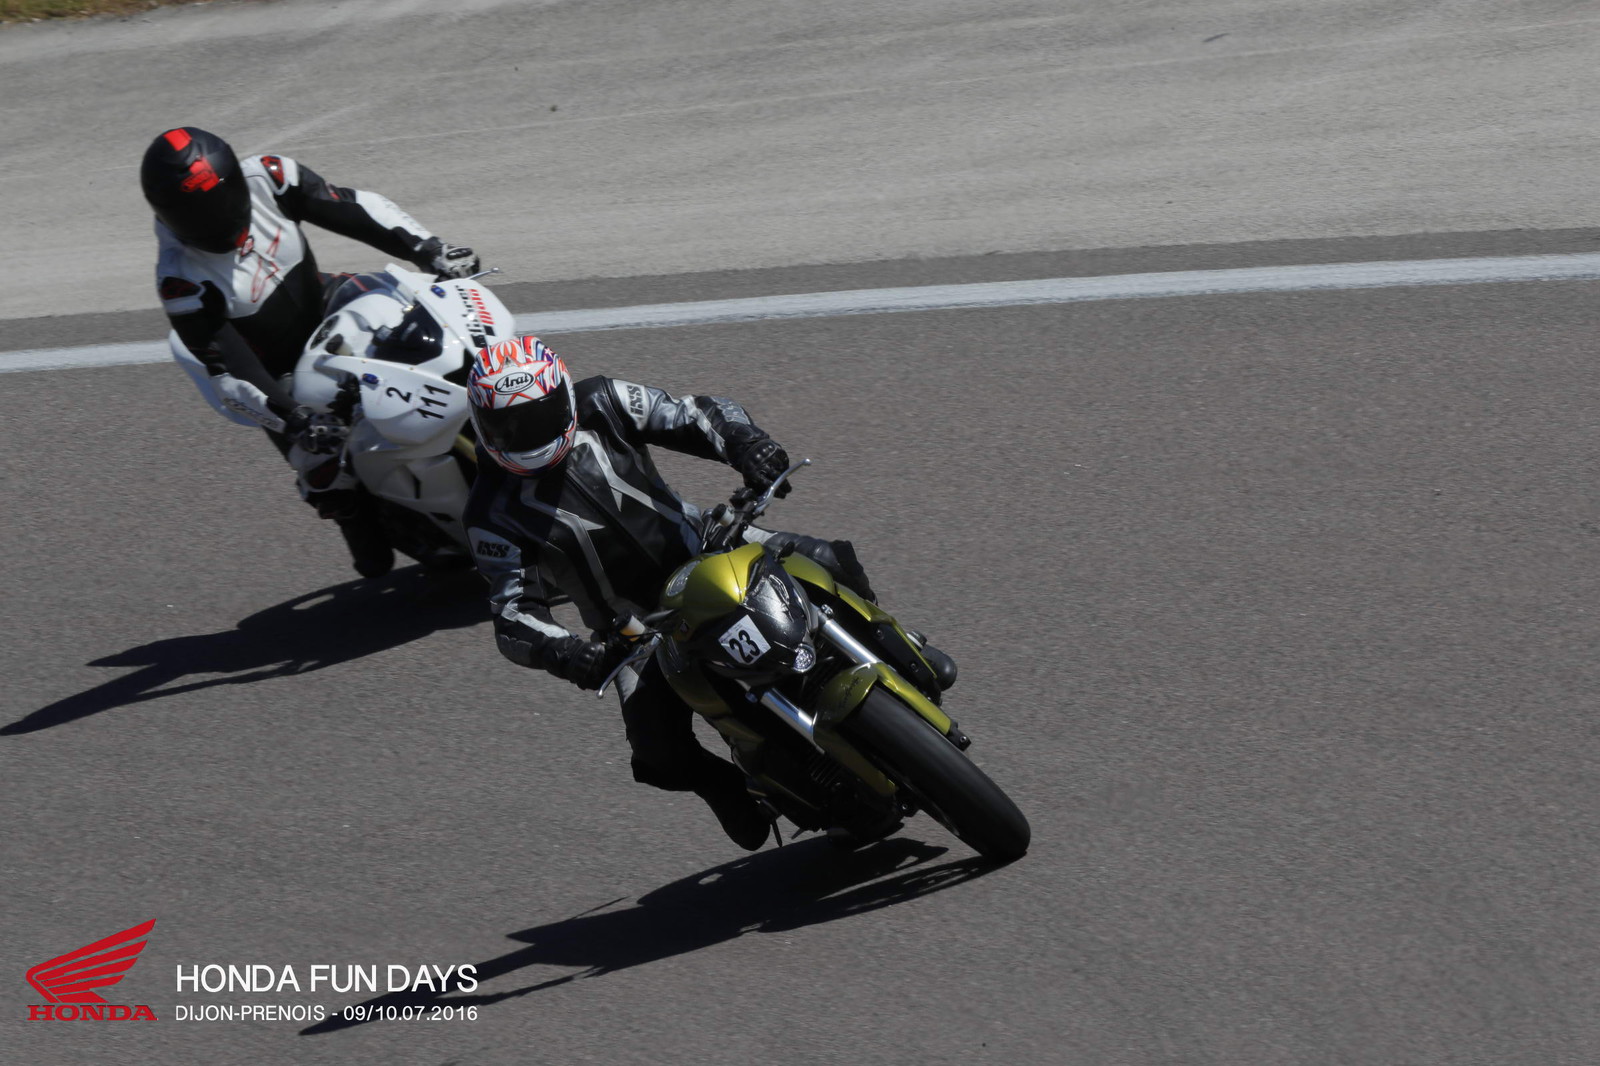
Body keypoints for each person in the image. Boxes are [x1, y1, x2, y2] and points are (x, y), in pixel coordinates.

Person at [462, 335, 954, 851]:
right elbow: (513, 613)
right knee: (658, 752)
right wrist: (569, 654)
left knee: (829, 559)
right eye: (507, 427)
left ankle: (900, 644)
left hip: (712, 545)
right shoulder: (489, 513)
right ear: (480, 423)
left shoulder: (603, 400)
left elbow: (695, 414)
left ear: (563, 396)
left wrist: (749, 446)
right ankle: (730, 789)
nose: (526, 436)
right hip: (637, 631)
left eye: (538, 417)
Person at [141, 126, 482, 577]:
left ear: (236, 183)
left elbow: (354, 208)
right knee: (325, 470)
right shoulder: (180, 278)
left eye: (221, 203)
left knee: (439, 323)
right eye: (197, 216)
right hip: (277, 369)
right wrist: (294, 418)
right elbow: (229, 368)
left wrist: (430, 248)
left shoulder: (270, 178)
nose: (217, 221)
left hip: (331, 302)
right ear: (170, 216)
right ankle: (355, 518)